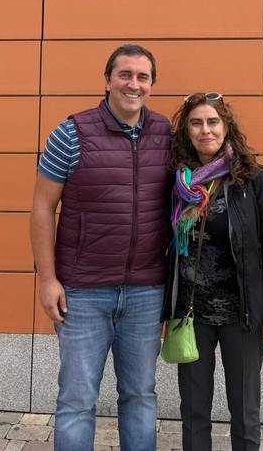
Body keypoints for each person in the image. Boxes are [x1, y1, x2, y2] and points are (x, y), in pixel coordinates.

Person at [30, 44, 171, 451]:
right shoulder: (71, 133)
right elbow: (42, 208)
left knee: (140, 395)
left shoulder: (166, 134)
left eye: (143, 77)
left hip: (147, 291)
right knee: (77, 400)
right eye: (124, 74)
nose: (133, 84)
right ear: (107, 80)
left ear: (152, 84)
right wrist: (47, 279)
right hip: (82, 293)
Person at [163, 92, 263, 451]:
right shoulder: (176, 182)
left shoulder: (251, 179)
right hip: (191, 314)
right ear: (186, 131)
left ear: (226, 127)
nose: (205, 130)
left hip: (241, 314)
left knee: (245, 411)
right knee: (194, 411)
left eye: (212, 122)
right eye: (196, 123)